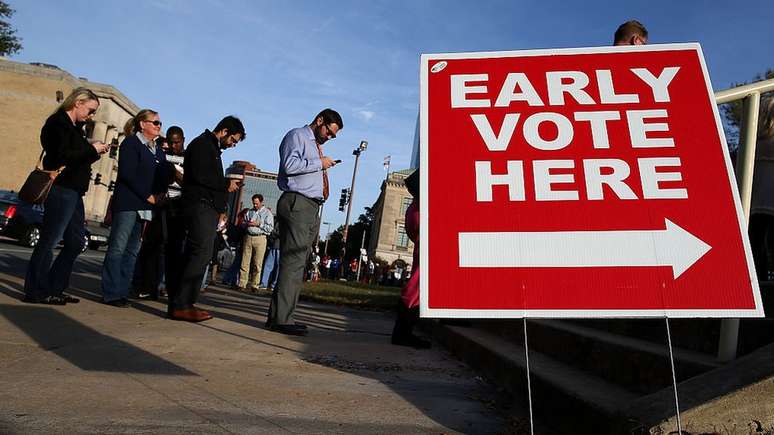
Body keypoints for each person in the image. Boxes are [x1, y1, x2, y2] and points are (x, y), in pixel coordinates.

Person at [23, 88, 110, 305]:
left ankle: (55, 286)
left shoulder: (77, 128)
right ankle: (36, 290)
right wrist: (91, 150)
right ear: (78, 102)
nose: (91, 116)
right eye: (90, 110)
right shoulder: (57, 123)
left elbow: (77, 158)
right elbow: (61, 155)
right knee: (50, 240)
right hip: (61, 189)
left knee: (75, 242)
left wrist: (93, 149)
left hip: (75, 191)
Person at [267, 108, 343, 336]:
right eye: (330, 131)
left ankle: (280, 316)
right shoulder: (297, 136)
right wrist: (320, 163)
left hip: (309, 206)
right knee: (294, 261)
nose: (330, 137)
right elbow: (290, 166)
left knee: (297, 261)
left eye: (334, 136)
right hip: (298, 202)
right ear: (320, 120)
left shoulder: (314, 146)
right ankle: (282, 319)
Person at [170, 116, 244, 322]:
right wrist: (225, 184)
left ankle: (183, 302)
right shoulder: (203, 145)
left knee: (198, 254)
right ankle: (182, 304)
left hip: (206, 206)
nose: (232, 144)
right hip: (200, 206)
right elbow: (201, 177)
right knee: (200, 253)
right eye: (233, 140)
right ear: (224, 131)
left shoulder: (210, 148)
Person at [101, 110, 168, 307]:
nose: (158, 126)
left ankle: (122, 291)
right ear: (142, 124)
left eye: (159, 123)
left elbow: (162, 174)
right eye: (155, 122)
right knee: (117, 248)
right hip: (129, 203)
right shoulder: (131, 143)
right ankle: (111, 292)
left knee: (132, 251)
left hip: (146, 207)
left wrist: (160, 193)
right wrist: (148, 195)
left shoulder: (157, 150)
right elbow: (127, 174)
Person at [134, 126, 185, 300]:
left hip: (179, 209)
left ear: (183, 140)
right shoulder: (162, 156)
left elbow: (192, 185)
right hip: (160, 206)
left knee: (174, 251)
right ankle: (148, 286)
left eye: (177, 142)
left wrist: (176, 175)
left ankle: (170, 288)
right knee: (152, 247)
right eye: (170, 142)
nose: (173, 145)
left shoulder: (189, 159)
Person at [391, 169, 430, 349]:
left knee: (420, 273)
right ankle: (403, 332)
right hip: (423, 212)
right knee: (420, 277)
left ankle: (403, 331)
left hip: (417, 212)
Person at [749, 96, 774, 281]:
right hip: (759, 209)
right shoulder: (756, 146)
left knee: (757, 251)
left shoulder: (749, 147)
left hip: (755, 209)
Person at [237, 194, 273, 291]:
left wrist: (259, 224)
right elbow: (243, 223)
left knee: (257, 263)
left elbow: (270, 228)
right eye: (254, 203)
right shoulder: (250, 211)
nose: (255, 205)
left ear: (261, 202)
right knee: (244, 262)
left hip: (260, 238)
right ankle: (242, 283)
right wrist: (246, 224)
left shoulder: (267, 213)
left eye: (257, 203)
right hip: (248, 236)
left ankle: (255, 285)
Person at [258, 220, 281, 290]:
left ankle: (274, 285)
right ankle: (263, 283)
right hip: (274, 245)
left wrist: (274, 233)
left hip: (281, 247)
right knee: (267, 265)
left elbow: (277, 233)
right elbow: (272, 232)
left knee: (278, 267)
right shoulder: (278, 222)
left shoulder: (286, 222)